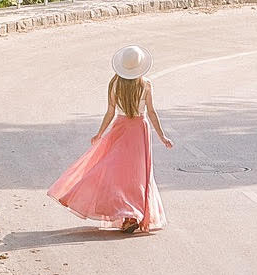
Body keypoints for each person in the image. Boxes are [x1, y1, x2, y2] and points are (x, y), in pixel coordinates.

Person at [47, 44, 172, 235]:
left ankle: (123, 211)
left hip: (120, 128)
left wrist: (100, 133)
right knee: (138, 174)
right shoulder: (146, 84)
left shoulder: (114, 84)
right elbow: (152, 113)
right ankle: (132, 215)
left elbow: (110, 112)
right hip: (139, 130)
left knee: (112, 169)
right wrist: (162, 136)